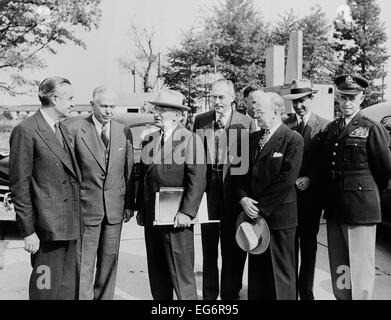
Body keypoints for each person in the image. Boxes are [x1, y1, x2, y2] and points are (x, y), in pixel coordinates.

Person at [318, 75, 391, 300]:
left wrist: (367, 193)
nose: (347, 102)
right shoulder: (332, 129)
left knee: (360, 271)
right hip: (336, 209)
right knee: (341, 268)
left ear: (362, 98)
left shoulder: (371, 128)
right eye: (343, 97)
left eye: (352, 97)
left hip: (360, 210)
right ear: (337, 99)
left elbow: (384, 169)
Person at [9, 77, 81, 300]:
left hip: (69, 227)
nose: (73, 104)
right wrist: (28, 231)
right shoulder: (26, 130)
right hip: (46, 231)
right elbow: (20, 186)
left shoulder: (63, 130)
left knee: (67, 291)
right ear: (53, 98)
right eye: (69, 99)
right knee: (45, 290)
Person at [134, 89, 206, 300]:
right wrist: (140, 208)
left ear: (177, 115)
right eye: (157, 108)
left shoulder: (190, 139)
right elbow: (144, 177)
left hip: (177, 220)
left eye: (163, 109)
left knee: (181, 276)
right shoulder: (149, 139)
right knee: (158, 276)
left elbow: (197, 179)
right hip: (152, 219)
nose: (157, 113)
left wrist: (187, 212)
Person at [65, 86, 134, 300]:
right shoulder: (74, 129)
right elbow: (68, 174)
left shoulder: (124, 131)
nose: (108, 111)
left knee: (108, 264)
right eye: (103, 106)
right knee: (83, 265)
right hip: (86, 210)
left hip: (114, 211)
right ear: (92, 104)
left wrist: (129, 204)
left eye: (112, 106)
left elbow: (128, 171)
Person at [236, 91, 303, 300]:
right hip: (253, 215)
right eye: (254, 112)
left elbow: (286, 179)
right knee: (258, 274)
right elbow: (238, 174)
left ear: (276, 111)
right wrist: (243, 198)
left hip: (278, 218)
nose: (256, 116)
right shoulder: (252, 139)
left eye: (260, 112)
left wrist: (260, 208)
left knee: (281, 275)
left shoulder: (292, 139)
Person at [193, 79, 256, 300]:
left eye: (221, 97)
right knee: (209, 245)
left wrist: (244, 196)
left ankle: (231, 293)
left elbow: (251, 162)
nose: (217, 102)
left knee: (233, 245)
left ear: (232, 98)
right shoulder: (200, 121)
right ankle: (210, 296)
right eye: (213, 97)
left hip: (233, 190)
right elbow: (195, 159)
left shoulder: (246, 122)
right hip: (208, 189)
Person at [283, 84, 329, 300]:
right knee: (289, 247)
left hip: (311, 199)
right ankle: (290, 291)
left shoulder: (324, 126)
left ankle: (306, 292)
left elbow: (326, 161)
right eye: (295, 102)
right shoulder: (285, 125)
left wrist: (311, 178)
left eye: (302, 101)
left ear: (311, 99)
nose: (298, 106)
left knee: (309, 247)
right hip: (288, 199)